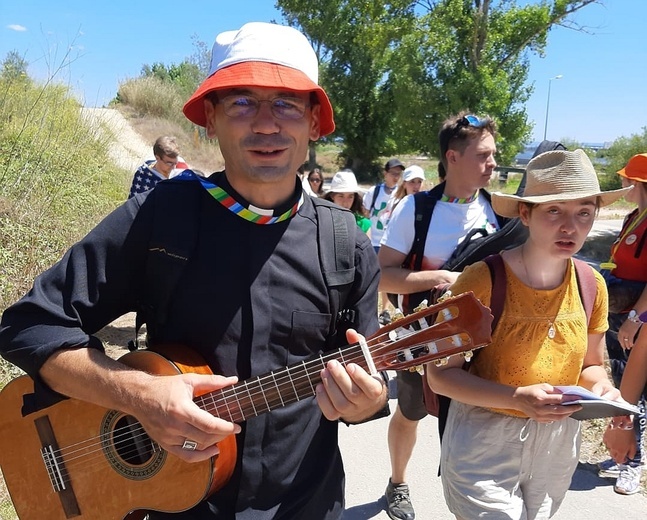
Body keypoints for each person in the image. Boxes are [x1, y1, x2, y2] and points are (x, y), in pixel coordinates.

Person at [0, 21, 388, 520]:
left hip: (306, 505)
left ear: (314, 123)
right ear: (210, 119)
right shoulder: (161, 215)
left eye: (287, 103)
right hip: (173, 507)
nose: (266, 124)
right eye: (242, 102)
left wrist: (366, 401)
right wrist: (137, 394)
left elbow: (370, 375)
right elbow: (28, 324)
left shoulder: (346, 244)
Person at [426, 148, 631, 519]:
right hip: (484, 442)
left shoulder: (591, 285)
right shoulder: (481, 280)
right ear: (526, 213)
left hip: (557, 446)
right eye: (554, 210)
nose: (571, 226)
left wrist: (602, 389)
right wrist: (516, 398)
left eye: (584, 212)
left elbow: (591, 365)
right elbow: (440, 375)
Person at [377, 112, 500, 520]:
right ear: (452, 157)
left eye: (493, 155)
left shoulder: (497, 210)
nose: (493, 164)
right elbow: (383, 275)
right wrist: (444, 277)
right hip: (421, 341)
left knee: (474, 423)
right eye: (483, 155)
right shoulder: (417, 209)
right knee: (411, 413)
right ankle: (397, 483)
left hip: (482, 344)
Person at [599, 153, 647, 495]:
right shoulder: (634, 215)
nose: (622, 184)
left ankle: (632, 463)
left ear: (638, 182)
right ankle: (623, 453)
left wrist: (635, 318)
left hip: (638, 320)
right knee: (621, 383)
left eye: (626, 179)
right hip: (621, 316)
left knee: (637, 393)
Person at [363, 158, 405, 325]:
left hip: (390, 243)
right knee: (371, 277)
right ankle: (370, 308)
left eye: (399, 174)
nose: (396, 177)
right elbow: (366, 212)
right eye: (393, 173)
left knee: (386, 274)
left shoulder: (400, 194)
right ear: (385, 173)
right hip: (373, 240)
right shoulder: (374, 192)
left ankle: (385, 310)